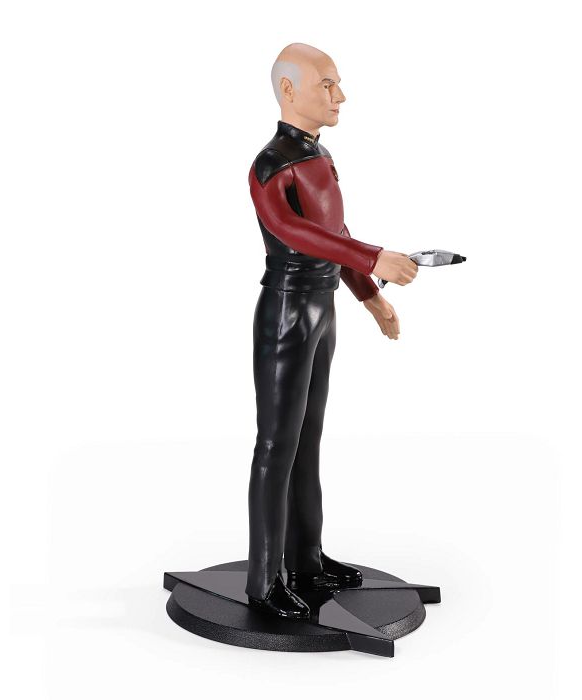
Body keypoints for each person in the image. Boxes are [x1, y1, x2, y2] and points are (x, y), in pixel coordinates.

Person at [245, 43, 418, 619]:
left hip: (323, 309)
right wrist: (373, 258)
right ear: (289, 90)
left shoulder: (319, 155)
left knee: (308, 440)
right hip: (288, 310)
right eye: (327, 84)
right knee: (277, 445)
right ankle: (264, 582)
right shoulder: (270, 163)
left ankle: (306, 561)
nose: (340, 95)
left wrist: (369, 295)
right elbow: (294, 232)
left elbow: (334, 230)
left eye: (337, 83)